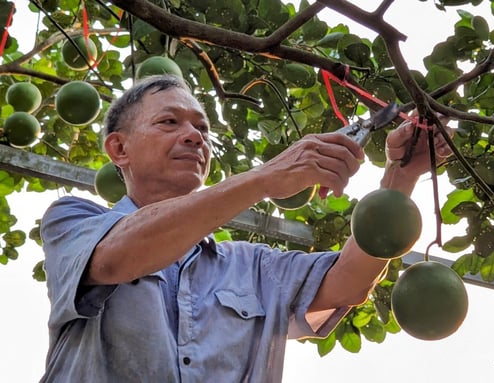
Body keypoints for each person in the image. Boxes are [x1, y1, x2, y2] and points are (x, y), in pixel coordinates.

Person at [39, 74, 451, 382]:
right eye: (169, 122)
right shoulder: (74, 221)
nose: (194, 137)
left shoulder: (253, 266)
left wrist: (402, 175)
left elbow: (349, 282)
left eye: (202, 128)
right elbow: (116, 258)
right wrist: (265, 177)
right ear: (119, 148)